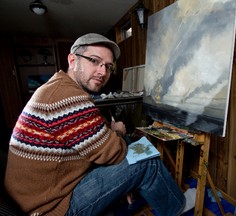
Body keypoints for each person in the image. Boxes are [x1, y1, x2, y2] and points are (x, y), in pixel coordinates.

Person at [4, 33, 194, 216]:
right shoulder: (68, 98)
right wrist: (118, 132)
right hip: (50, 208)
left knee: (131, 147)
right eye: (94, 61)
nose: (103, 72)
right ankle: (178, 208)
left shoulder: (58, 87)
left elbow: (96, 144)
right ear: (72, 60)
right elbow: (115, 152)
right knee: (145, 158)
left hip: (47, 192)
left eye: (108, 66)